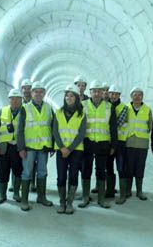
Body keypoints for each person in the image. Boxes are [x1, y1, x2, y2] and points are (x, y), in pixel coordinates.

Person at [79, 80, 117, 209]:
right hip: (87, 142)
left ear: (103, 93)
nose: (96, 93)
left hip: (103, 143)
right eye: (94, 91)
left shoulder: (108, 107)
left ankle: (101, 198)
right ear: (90, 92)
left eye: (99, 91)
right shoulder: (82, 105)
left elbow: (113, 127)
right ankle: (85, 197)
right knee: (86, 170)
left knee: (101, 171)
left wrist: (113, 145)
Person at [17, 81, 54, 211]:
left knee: (42, 172)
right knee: (27, 173)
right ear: (31, 93)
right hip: (29, 147)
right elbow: (20, 129)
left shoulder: (49, 108)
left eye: (40, 92)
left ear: (44, 93)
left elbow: (53, 127)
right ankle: (25, 200)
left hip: (44, 147)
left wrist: (53, 146)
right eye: (35, 91)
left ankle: (41, 197)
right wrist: (21, 148)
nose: (38, 94)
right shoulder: (25, 108)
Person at [53, 84, 86, 214]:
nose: (69, 97)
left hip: (76, 150)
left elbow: (81, 133)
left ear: (77, 98)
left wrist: (70, 149)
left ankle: (70, 202)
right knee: (61, 176)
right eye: (67, 95)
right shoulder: (58, 112)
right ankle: (62, 202)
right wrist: (62, 147)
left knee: (73, 175)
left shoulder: (82, 114)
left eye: (72, 95)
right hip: (61, 150)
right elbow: (55, 131)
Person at [0, 89, 23, 204]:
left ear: (21, 100)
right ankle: (2, 195)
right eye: (12, 98)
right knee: (2, 170)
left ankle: (16, 193)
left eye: (17, 99)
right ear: (9, 99)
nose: (15, 101)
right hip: (4, 147)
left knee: (18, 170)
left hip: (18, 147)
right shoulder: (2, 111)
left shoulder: (24, 112)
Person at [125, 87, 151, 200]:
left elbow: (150, 126)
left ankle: (139, 191)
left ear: (142, 97)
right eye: (135, 95)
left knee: (140, 167)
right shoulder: (126, 108)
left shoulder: (147, 109)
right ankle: (128, 190)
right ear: (131, 96)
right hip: (129, 143)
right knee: (129, 167)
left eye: (140, 95)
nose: (137, 97)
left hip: (142, 144)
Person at [9, 78, 34, 193]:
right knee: (15, 161)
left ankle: (32, 183)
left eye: (29, 88)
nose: (27, 90)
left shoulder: (35, 103)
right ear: (21, 89)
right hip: (17, 136)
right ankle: (13, 183)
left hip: (31, 137)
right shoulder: (18, 102)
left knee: (31, 162)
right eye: (24, 88)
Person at [107, 85, 128, 205]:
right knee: (108, 167)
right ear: (109, 94)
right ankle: (110, 191)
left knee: (121, 168)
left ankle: (122, 194)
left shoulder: (124, 108)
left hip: (120, 142)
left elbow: (117, 124)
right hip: (108, 142)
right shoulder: (106, 107)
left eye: (116, 94)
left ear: (119, 95)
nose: (113, 96)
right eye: (112, 93)